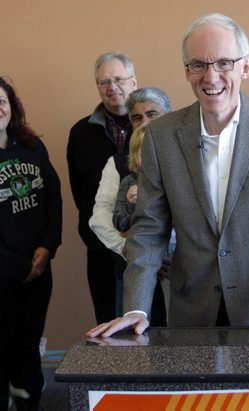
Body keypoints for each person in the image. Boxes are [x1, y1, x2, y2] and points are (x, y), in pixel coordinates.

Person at [87, 13, 249, 341]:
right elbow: (148, 228)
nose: (210, 76)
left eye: (224, 63)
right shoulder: (161, 136)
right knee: (194, 393)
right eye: (198, 64)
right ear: (187, 70)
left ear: (245, 66)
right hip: (192, 309)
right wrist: (136, 308)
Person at [0, 77, 62, 410]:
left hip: (38, 271)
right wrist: (19, 267)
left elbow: (53, 197)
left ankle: (30, 400)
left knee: (27, 344)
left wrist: (48, 246)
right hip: (6, 274)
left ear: (12, 105)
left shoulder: (31, 147)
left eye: (2, 100)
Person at [89, 87, 172, 320]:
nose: (145, 122)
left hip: (179, 273)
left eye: (152, 114)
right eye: (137, 117)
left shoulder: (190, 158)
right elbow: (99, 218)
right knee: (134, 347)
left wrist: (166, 253)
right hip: (132, 268)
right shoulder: (117, 165)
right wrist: (132, 251)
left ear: (169, 116)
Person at [67, 52, 138, 324]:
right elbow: (80, 193)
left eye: (119, 79)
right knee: (107, 324)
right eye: (104, 82)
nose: (112, 87)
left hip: (150, 253)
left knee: (151, 326)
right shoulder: (81, 133)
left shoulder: (154, 126)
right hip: (100, 251)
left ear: (134, 81)